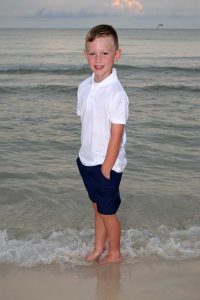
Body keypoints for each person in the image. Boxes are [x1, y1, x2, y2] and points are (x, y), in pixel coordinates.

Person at [76, 24, 129, 264]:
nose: (98, 59)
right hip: (87, 159)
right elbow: (87, 123)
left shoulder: (116, 93)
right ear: (85, 55)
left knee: (108, 213)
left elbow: (116, 134)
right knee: (97, 207)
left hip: (106, 164)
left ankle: (115, 253)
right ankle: (99, 247)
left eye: (105, 53)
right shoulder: (84, 86)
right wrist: (85, 157)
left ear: (116, 55)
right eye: (93, 53)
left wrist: (107, 166)